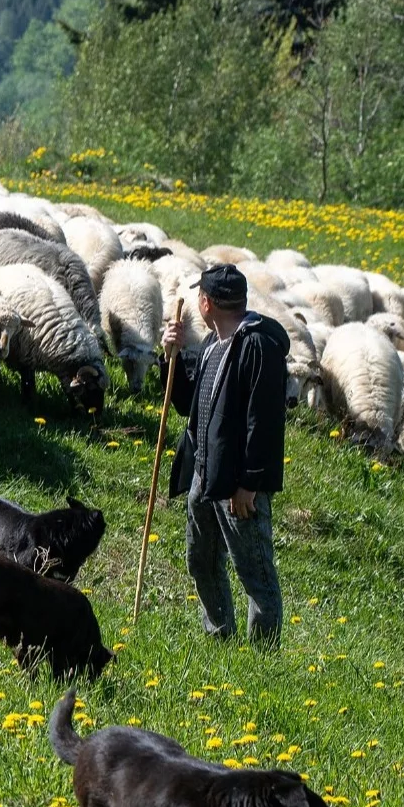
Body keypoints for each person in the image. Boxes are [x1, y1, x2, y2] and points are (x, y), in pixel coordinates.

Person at [162, 263, 290, 644]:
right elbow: (188, 405)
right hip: (205, 473)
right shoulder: (210, 345)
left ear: (205, 303)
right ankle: (219, 636)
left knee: (254, 571)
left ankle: (263, 657)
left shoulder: (257, 346)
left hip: (237, 482)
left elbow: (263, 422)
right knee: (201, 560)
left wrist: (249, 483)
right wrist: (170, 355)